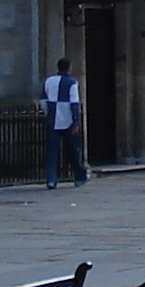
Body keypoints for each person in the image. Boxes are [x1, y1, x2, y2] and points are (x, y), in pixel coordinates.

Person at [41, 56, 87, 188]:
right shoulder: (72, 82)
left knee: (52, 151)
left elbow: (43, 101)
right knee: (73, 150)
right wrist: (76, 121)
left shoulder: (49, 81)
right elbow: (74, 103)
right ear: (69, 68)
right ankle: (79, 175)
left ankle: (51, 179)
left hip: (52, 121)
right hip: (67, 121)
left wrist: (48, 114)